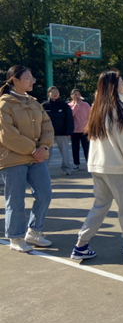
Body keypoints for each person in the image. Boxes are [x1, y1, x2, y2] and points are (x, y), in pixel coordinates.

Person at [71, 70, 123, 261]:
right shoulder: (117, 109)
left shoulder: (98, 107)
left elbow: (117, 132)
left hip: (98, 165)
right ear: (113, 86)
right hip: (115, 167)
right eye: (121, 82)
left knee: (100, 206)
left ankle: (81, 244)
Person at [0, 66, 54, 253]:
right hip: (13, 158)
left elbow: (47, 126)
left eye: (32, 78)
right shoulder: (4, 104)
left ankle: (34, 231)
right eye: (28, 78)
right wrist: (33, 149)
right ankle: (15, 237)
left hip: (37, 157)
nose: (32, 81)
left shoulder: (34, 102)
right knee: (15, 199)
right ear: (15, 80)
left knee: (45, 194)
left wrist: (44, 147)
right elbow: (8, 135)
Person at [42, 86, 74, 175]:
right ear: (48, 94)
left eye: (57, 92)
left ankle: (66, 168)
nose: (55, 94)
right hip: (48, 133)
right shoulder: (44, 106)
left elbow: (69, 119)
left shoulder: (64, 105)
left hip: (62, 132)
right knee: (46, 152)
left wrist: (69, 131)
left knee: (65, 152)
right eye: (53, 92)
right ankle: (44, 170)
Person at [68, 89, 91, 171]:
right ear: (71, 96)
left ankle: (89, 163)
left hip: (85, 130)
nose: (77, 96)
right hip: (74, 131)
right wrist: (76, 105)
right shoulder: (69, 105)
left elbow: (90, 116)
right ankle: (76, 164)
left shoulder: (86, 105)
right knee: (75, 148)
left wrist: (90, 127)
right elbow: (70, 115)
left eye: (78, 94)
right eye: (74, 94)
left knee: (87, 148)